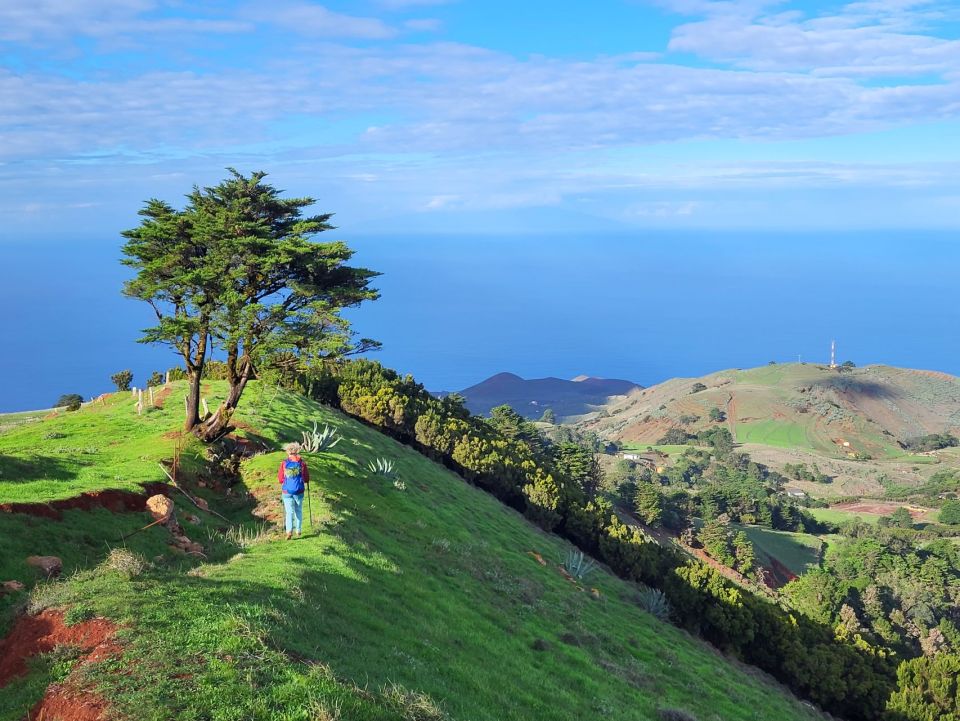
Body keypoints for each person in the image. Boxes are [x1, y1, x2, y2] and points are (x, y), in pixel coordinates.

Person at [278, 442, 310, 539]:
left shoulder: (284, 463)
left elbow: (280, 479)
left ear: (287, 451)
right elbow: (306, 478)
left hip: (287, 491)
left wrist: (286, 481)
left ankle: (289, 531)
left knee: (289, 512)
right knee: (298, 510)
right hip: (299, 491)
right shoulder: (302, 463)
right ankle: (298, 530)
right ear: (297, 451)